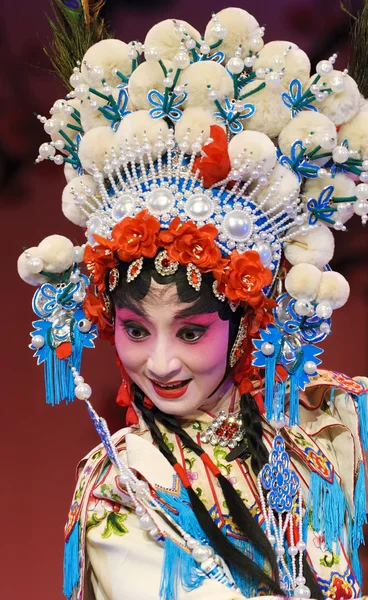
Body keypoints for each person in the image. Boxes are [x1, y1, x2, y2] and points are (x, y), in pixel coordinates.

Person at [17, 4, 368, 600]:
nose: (159, 364)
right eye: (134, 330)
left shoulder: (333, 420)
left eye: (188, 332)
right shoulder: (122, 481)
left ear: (242, 322)